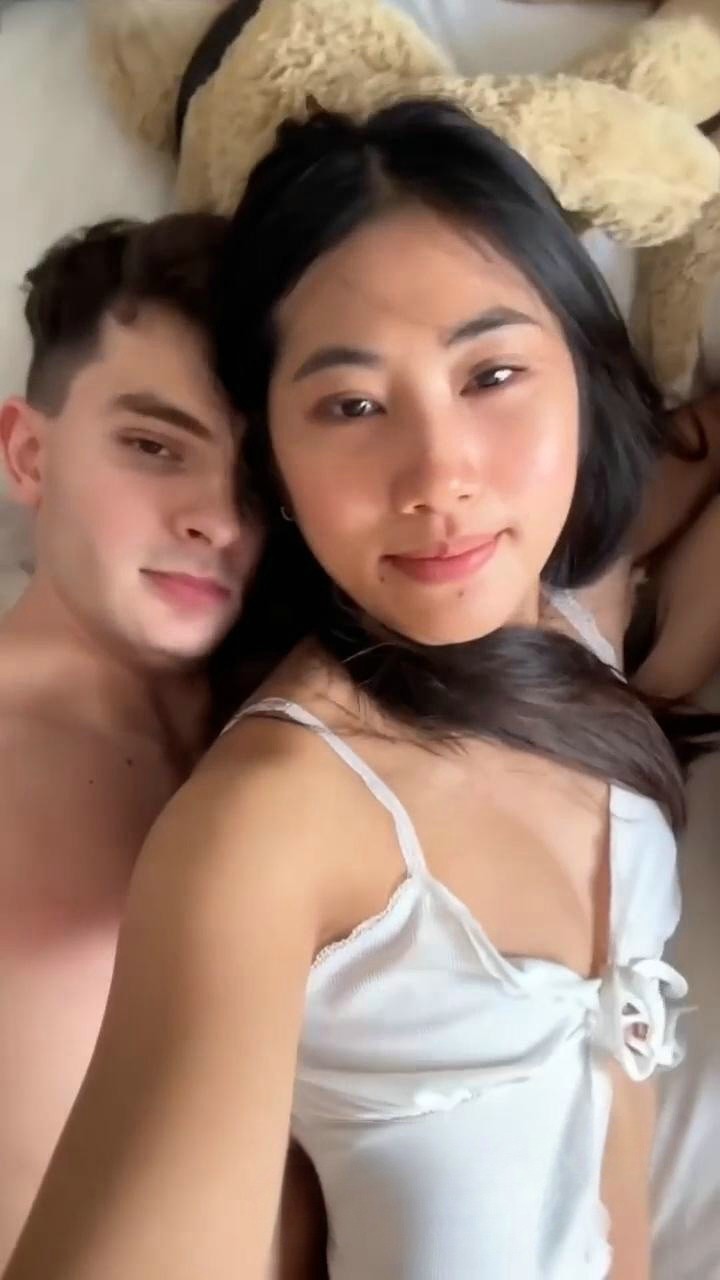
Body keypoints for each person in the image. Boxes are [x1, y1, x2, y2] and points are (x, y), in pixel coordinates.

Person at [5, 100, 715, 1280]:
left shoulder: (558, 614)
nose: (441, 478)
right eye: (352, 406)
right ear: (282, 463)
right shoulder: (262, 830)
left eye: (493, 372)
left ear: (581, 381)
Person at [0, 214, 263, 1270]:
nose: (218, 518)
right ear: (29, 453)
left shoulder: (307, 714)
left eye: (260, 476)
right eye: (155, 446)